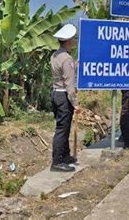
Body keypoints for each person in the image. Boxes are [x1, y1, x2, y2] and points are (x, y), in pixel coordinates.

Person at [50, 24, 81, 172]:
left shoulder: (55, 55)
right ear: (68, 41)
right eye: (73, 39)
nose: (74, 41)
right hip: (63, 96)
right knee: (62, 129)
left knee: (64, 126)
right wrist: (75, 104)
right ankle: (57, 162)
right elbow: (69, 85)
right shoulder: (67, 59)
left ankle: (65, 155)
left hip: (55, 94)